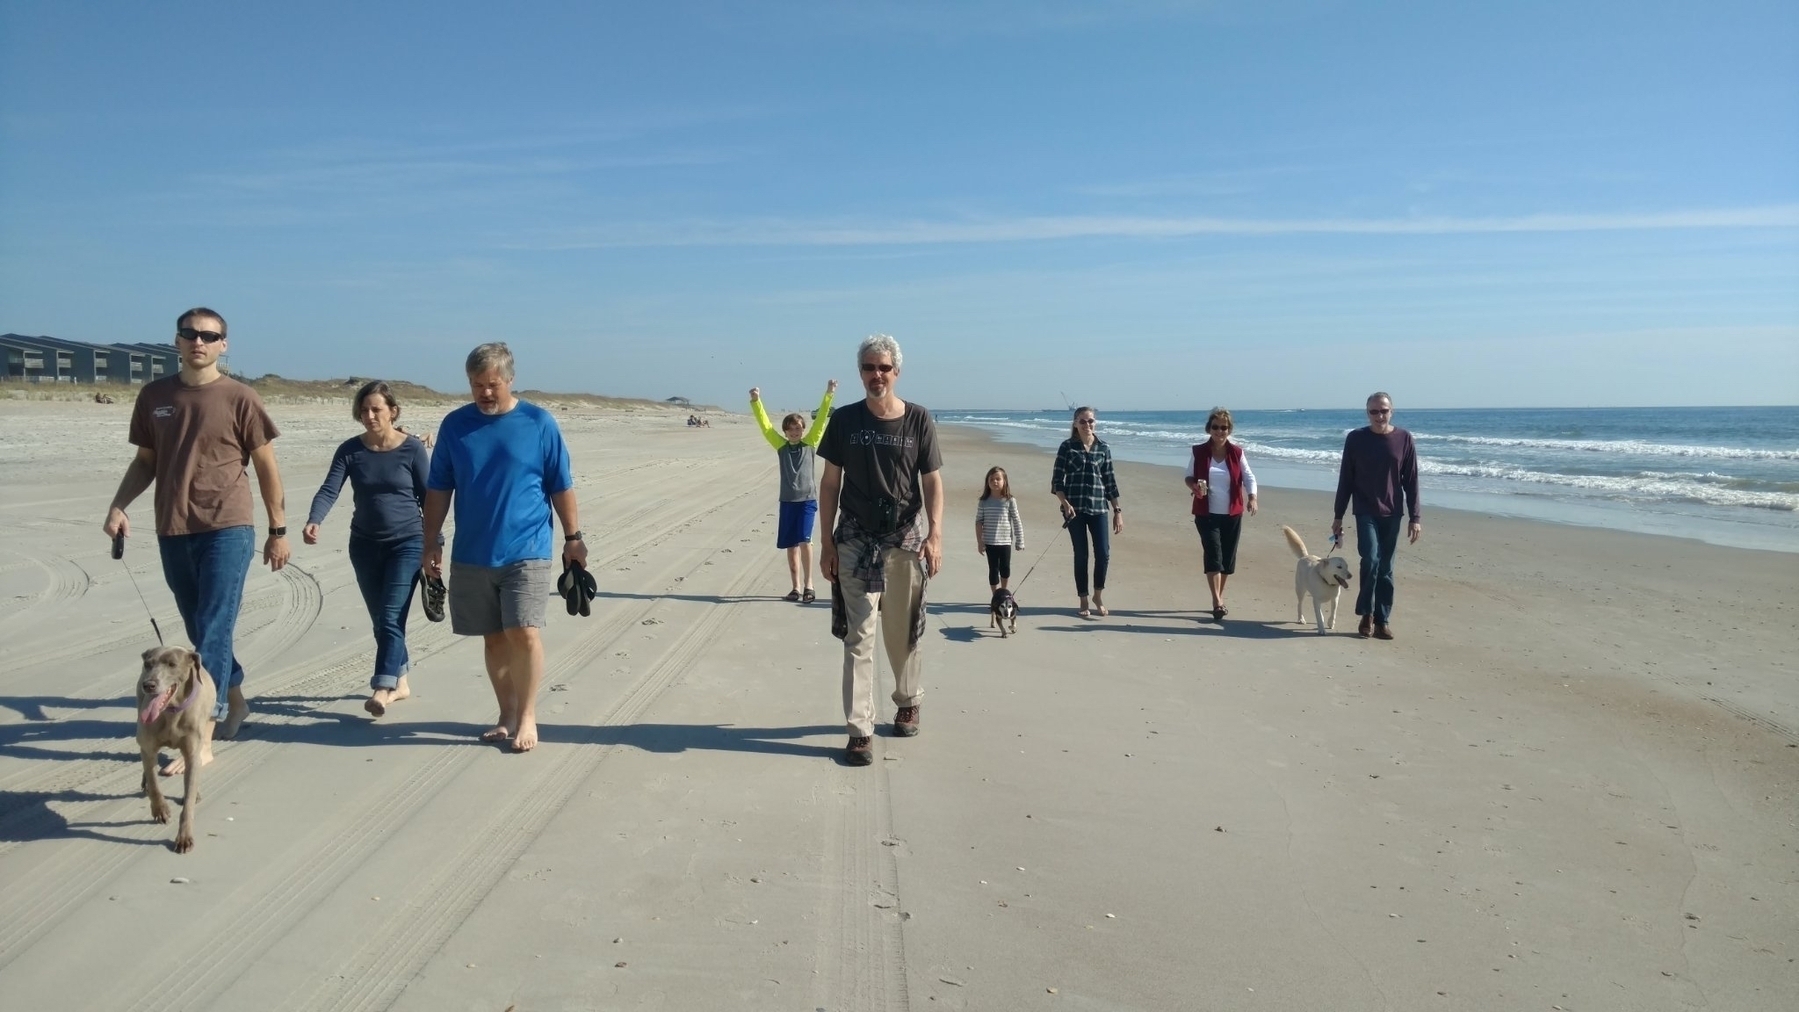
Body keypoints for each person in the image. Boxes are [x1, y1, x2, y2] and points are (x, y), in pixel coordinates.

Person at [102, 307, 288, 774]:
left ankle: (204, 732)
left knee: (212, 626)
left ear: (224, 344)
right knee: (199, 628)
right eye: (190, 334)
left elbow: (266, 466)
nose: (198, 342)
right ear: (177, 340)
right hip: (173, 526)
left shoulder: (240, 397)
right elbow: (146, 461)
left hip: (228, 526)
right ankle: (237, 698)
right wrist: (119, 505)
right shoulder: (155, 396)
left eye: (209, 336)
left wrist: (277, 529)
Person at [421, 343, 584, 752]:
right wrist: (430, 542)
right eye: (477, 385)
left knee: (523, 631)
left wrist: (573, 538)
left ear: (509, 380)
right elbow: (439, 489)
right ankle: (506, 712)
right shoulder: (455, 426)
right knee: (492, 638)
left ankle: (528, 716)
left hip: (527, 547)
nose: (485, 393)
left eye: (492, 384)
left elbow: (560, 485)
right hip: (473, 551)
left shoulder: (538, 423)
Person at [818, 334, 943, 767]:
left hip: (905, 540)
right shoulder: (845, 421)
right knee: (860, 637)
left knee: (902, 631)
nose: (877, 375)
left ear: (897, 372)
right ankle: (860, 729)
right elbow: (830, 483)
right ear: (861, 373)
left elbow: (931, 481)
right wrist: (827, 543)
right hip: (855, 539)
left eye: (884, 368)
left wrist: (936, 535)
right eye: (870, 368)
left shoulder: (919, 420)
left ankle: (908, 699)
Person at [302, 380, 431, 717]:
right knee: (381, 620)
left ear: (393, 412)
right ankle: (401, 681)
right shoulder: (350, 450)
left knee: (390, 615)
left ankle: (383, 686)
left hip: (408, 543)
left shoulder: (412, 449)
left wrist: (435, 544)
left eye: (376, 409)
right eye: (364, 409)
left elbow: (430, 499)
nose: (370, 415)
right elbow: (330, 488)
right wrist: (315, 518)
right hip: (364, 545)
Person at [1331, 391, 1422, 640]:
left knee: (1386, 568)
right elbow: (1346, 479)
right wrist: (1338, 516)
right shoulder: (1356, 439)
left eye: (1384, 410)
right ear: (1367, 413)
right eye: (1374, 411)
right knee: (1370, 559)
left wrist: (1415, 517)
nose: (1379, 415)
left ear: (1391, 411)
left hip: (1392, 512)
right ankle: (1366, 614)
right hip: (1365, 510)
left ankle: (1382, 620)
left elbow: (1411, 481)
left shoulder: (1404, 439)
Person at [750, 379, 837, 602]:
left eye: (798, 429)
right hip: (787, 501)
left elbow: (821, 422)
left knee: (805, 542)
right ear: (786, 432)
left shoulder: (810, 443)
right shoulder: (780, 447)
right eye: (791, 430)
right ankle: (796, 587)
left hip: (807, 500)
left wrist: (829, 393)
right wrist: (756, 401)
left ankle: (809, 585)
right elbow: (766, 426)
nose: (795, 432)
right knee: (791, 545)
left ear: (803, 429)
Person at [1185, 407, 1258, 622]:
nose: (1220, 431)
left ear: (1229, 429)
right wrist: (1194, 487)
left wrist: (1252, 497)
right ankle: (1217, 601)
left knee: (1227, 559)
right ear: (1209, 428)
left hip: (1232, 513)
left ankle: (1219, 595)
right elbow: (1188, 476)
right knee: (1214, 555)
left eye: (1224, 427)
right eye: (1215, 427)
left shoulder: (1237, 452)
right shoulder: (1198, 451)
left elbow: (1249, 476)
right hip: (1206, 513)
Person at [1051, 406, 1122, 619]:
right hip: (1074, 510)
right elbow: (1056, 481)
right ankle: (1083, 598)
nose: (1087, 425)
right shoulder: (1067, 447)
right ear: (1075, 423)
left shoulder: (1103, 448)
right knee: (1081, 554)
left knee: (1103, 553)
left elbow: (1110, 481)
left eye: (1090, 421)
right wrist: (1064, 503)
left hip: (1099, 508)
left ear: (1095, 422)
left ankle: (1097, 595)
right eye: (1082, 421)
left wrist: (1117, 510)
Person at [975, 466, 1025, 593]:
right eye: (991, 479)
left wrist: (1020, 540)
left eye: (998, 479)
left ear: (1004, 481)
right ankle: (995, 595)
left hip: (1005, 541)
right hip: (990, 542)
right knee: (993, 570)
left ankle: (1003, 592)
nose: (995, 482)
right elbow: (978, 522)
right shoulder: (984, 501)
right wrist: (980, 542)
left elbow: (1016, 520)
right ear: (987, 482)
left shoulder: (1009, 501)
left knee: (1005, 569)